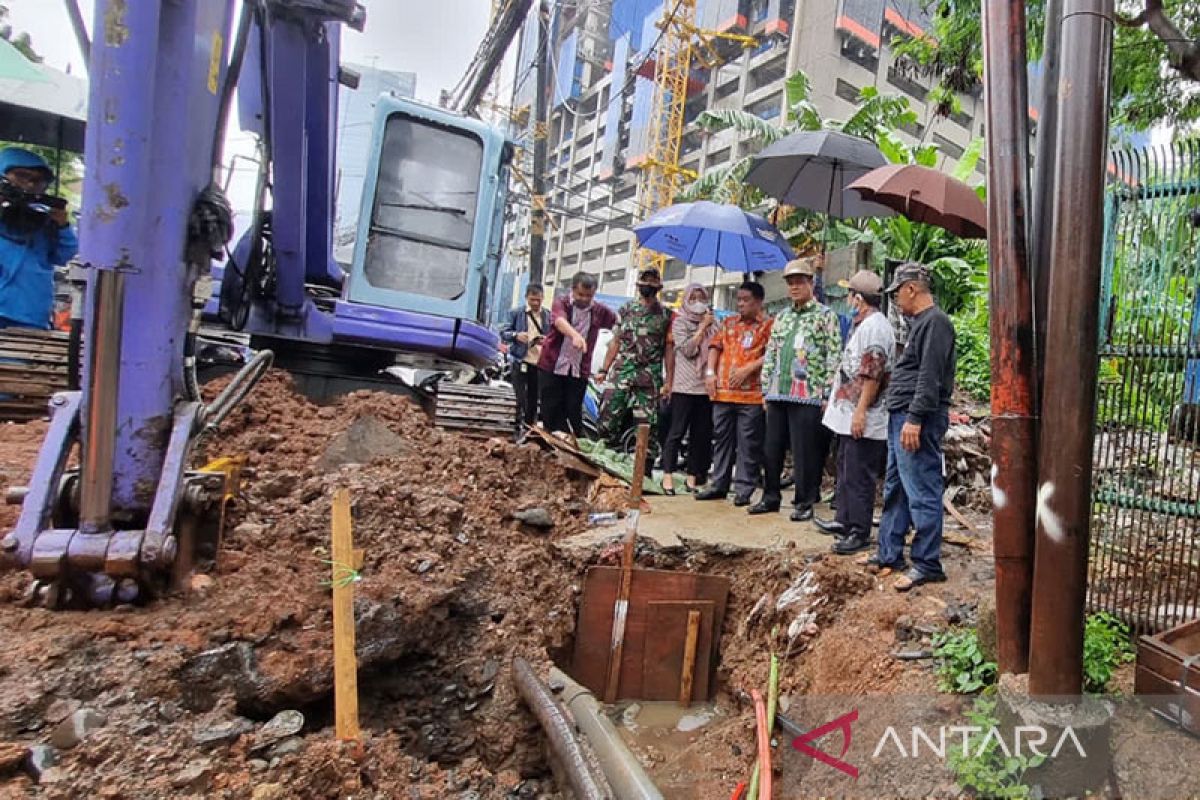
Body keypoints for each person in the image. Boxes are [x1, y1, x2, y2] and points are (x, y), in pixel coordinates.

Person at [869, 262, 957, 591]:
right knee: (897, 487)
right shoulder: (921, 324)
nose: (895, 301)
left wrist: (915, 418)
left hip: (915, 416)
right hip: (902, 414)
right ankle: (889, 553)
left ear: (911, 289)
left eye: (896, 294)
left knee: (921, 488)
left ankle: (927, 562)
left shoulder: (936, 323)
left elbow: (930, 376)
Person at [752, 258, 841, 520]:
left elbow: (833, 356)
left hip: (808, 395)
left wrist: (826, 394)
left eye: (800, 281)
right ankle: (770, 497)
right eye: (790, 282)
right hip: (778, 391)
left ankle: (803, 503)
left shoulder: (826, 317)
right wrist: (765, 388)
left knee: (805, 453)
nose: (794, 287)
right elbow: (771, 354)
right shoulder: (782, 317)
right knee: (772, 448)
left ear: (811, 283)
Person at [814, 270, 895, 555]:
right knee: (846, 469)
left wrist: (860, 412)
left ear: (858, 299)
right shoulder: (864, 325)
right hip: (849, 413)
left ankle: (858, 531)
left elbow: (872, 374)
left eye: (850, 295)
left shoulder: (875, 327)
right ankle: (845, 520)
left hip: (865, 416)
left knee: (859, 475)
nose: (848, 300)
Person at [695, 281, 772, 506]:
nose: (740, 304)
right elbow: (714, 347)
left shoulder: (769, 326)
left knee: (748, 443)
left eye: (745, 300)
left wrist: (749, 369)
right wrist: (710, 374)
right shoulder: (728, 323)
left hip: (751, 395)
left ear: (758, 302)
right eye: (738, 299)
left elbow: (772, 353)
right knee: (721, 440)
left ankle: (743, 489)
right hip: (723, 394)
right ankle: (718, 484)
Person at [0, 147, 77, 329]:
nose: (28, 185)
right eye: (21, 176)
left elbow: (66, 255)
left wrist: (63, 226)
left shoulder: (44, 218)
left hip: (29, 313)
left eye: (37, 180)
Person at [597, 268, 673, 442]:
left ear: (658, 287)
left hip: (649, 377)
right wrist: (603, 369)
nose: (647, 286)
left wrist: (669, 381)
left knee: (647, 425)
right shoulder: (626, 310)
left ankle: (644, 464)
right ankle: (605, 454)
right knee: (607, 417)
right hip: (622, 371)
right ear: (639, 285)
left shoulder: (665, 316)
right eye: (644, 282)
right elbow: (615, 341)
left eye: (652, 283)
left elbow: (669, 350)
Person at [537, 271, 617, 435]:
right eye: (581, 294)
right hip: (553, 366)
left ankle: (570, 447)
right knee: (550, 410)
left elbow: (618, 323)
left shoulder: (600, 311)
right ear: (573, 290)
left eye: (589, 295)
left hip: (579, 370)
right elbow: (559, 321)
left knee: (573, 412)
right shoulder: (562, 303)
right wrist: (575, 335)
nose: (585, 299)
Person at [660, 283, 715, 494]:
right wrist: (702, 328)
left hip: (705, 388)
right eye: (694, 298)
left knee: (700, 435)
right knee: (676, 433)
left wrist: (710, 325)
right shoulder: (680, 322)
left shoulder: (714, 322)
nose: (698, 302)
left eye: (702, 298)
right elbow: (689, 350)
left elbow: (716, 348)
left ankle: (691, 478)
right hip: (683, 387)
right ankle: (668, 476)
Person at [499, 284, 551, 436]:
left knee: (534, 398)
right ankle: (516, 426)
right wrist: (516, 336)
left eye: (538, 300)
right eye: (532, 300)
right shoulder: (516, 313)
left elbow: (554, 338)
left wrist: (545, 341)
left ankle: (529, 428)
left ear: (543, 298)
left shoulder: (548, 316)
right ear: (526, 298)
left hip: (539, 363)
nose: (535, 303)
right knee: (519, 396)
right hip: (520, 361)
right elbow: (503, 332)